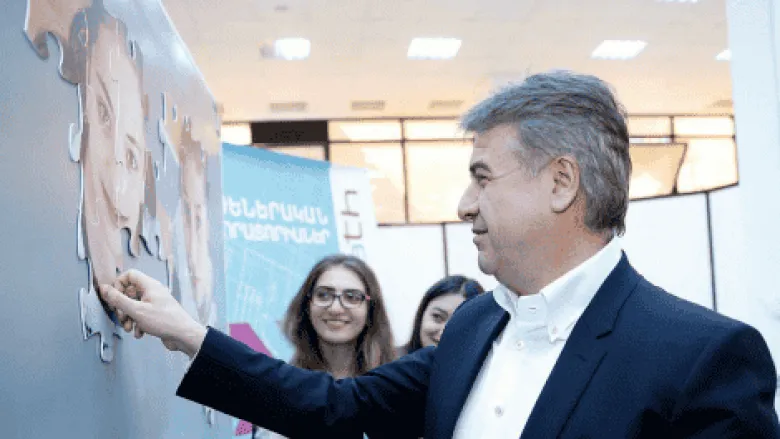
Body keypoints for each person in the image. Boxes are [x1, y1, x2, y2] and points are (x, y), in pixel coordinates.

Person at [100, 70, 780, 438]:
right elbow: (336, 407)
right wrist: (186, 332)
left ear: (561, 182)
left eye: (482, 177)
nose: (462, 204)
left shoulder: (702, 358)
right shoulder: (474, 327)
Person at [253, 254, 396, 439]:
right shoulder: (280, 387)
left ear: (371, 310)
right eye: (323, 295)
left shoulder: (394, 388)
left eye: (352, 297)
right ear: (307, 305)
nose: (335, 308)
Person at [399, 275, 484, 356]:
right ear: (422, 314)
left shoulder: (485, 365)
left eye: (459, 324)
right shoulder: (393, 360)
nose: (443, 333)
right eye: (437, 317)